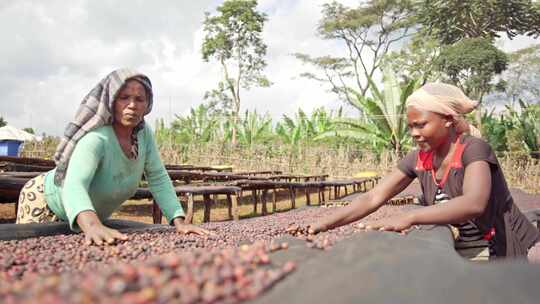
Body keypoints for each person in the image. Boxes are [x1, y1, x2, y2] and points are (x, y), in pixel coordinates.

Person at [308, 83, 539, 259]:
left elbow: (473, 204)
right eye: (411, 126)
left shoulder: (473, 149)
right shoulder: (418, 159)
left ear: (447, 120)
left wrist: (409, 217)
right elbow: (373, 196)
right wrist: (322, 225)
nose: (414, 133)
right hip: (468, 250)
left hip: (512, 248)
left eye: (421, 125)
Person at [16, 68, 210, 245]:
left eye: (139, 99)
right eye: (124, 97)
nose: (132, 105)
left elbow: (158, 177)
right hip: (45, 202)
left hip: (88, 216)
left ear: (147, 105)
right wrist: (92, 226)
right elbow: (74, 184)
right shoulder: (96, 138)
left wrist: (179, 221)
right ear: (111, 101)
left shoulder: (144, 135)